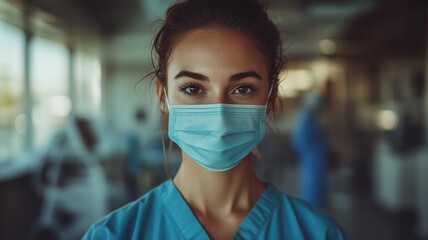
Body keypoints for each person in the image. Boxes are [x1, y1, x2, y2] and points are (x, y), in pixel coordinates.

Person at [83, 0, 348, 239]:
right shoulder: (112, 235)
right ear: (162, 96)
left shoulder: (318, 234)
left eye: (242, 89)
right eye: (193, 89)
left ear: (269, 98)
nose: (219, 114)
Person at [292, 90, 329, 207]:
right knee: (312, 186)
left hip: (315, 158)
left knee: (316, 185)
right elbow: (300, 142)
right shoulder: (305, 118)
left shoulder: (311, 117)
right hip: (312, 159)